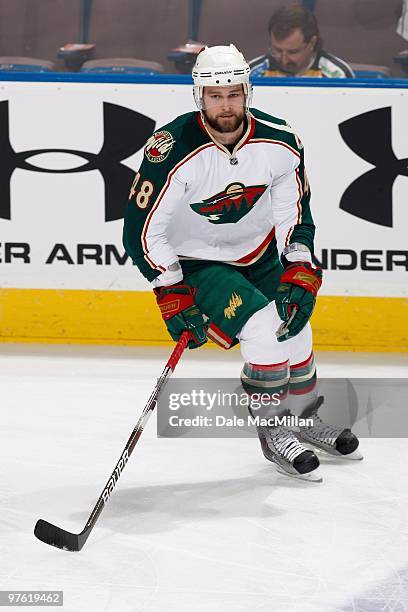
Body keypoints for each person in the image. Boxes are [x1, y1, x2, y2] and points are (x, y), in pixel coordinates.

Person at [123, 44, 362, 482]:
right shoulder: (170, 149)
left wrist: (298, 264)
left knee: (296, 328)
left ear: (247, 91)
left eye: (233, 94)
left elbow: (295, 212)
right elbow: (141, 230)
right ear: (199, 96)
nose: (226, 105)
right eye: (215, 96)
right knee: (264, 331)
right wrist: (171, 290)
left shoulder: (280, 140)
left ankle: (304, 420)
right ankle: (273, 433)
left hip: (258, 252)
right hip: (198, 263)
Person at [250, 4, 354, 78]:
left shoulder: (339, 74)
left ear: (312, 43)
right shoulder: (250, 73)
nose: (284, 60)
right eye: (277, 50)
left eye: (293, 52)